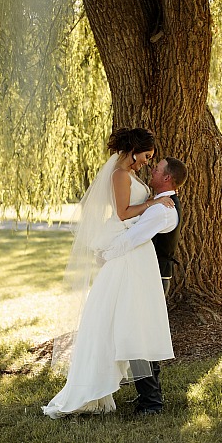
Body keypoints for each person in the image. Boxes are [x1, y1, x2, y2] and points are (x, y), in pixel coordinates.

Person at [42, 128, 175, 418]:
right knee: (127, 318)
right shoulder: (119, 174)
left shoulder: (128, 173)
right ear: (134, 149)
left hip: (136, 254)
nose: (147, 163)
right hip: (127, 256)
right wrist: (153, 202)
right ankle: (141, 395)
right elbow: (123, 213)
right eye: (146, 156)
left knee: (133, 319)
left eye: (151, 159)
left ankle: (148, 395)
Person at [103, 156, 188, 415]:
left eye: (157, 167)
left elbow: (133, 238)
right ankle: (150, 397)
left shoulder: (162, 209)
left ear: (167, 178)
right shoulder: (160, 205)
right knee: (143, 334)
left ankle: (151, 402)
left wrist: (104, 253)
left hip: (150, 277)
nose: (152, 168)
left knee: (137, 336)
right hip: (150, 275)